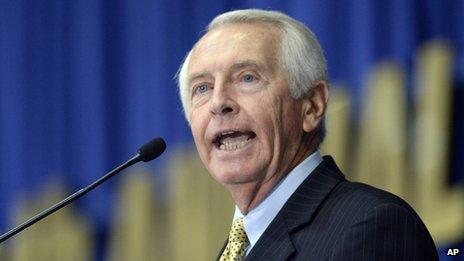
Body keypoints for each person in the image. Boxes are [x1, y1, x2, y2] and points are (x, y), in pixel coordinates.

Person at [176, 9, 438, 261]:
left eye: (247, 78)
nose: (218, 102)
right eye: (202, 88)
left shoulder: (373, 227)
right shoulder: (239, 247)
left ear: (312, 105)